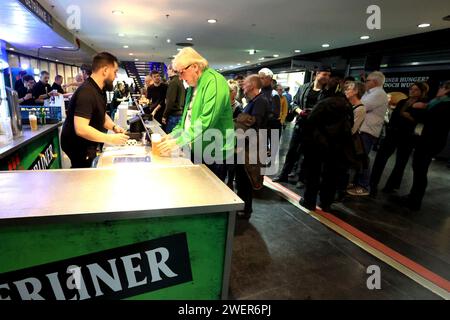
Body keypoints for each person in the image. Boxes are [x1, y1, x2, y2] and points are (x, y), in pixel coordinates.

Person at [158, 47, 234, 181]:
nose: (180, 77)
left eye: (181, 72)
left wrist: (177, 142)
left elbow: (206, 121)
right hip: (197, 148)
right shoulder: (193, 87)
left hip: (214, 152)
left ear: (194, 67)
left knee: (212, 196)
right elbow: (186, 121)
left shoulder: (214, 81)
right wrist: (171, 136)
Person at [61, 52, 129, 168]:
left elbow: (101, 115)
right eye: (115, 72)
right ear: (105, 70)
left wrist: (114, 127)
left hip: (87, 144)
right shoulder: (86, 92)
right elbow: (81, 129)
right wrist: (110, 138)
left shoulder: (99, 90)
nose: (115, 76)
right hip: (78, 145)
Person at [272, 66, 331, 183]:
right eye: (324, 74)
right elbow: (294, 102)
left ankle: (301, 179)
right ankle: (283, 175)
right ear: (317, 74)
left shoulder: (328, 91)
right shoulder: (304, 88)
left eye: (329, 75)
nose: (327, 77)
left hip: (316, 128)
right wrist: (299, 111)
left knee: (308, 155)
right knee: (292, 151)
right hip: (301, 124)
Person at [369, 82, 429, 196]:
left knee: (400, 163)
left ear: (422, 92)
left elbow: (420, 121)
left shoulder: (422, 104)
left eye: (416, 89)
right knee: (380, 159)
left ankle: (391, 186)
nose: (412, 91)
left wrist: (410, 117)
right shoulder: (402, 101)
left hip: (407, 137)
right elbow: (394, 117)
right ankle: (372, 184)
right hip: (392, 134)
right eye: (411, 89)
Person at [399, 81, 450, 210]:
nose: (439, 89)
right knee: (418, 168)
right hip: (426, 140)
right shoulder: (437, 102)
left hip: (431, 141)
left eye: (442, 87)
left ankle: (415, 201)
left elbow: (429, 119)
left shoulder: (445, 105)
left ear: (447, 89)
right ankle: (413, 196)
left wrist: (418, 108)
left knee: (421, 170)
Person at [300, 95, 354, 212]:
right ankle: (326, 203)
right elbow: (351, 125)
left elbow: (310, 123)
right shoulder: (346, 107)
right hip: (337, 146)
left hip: (317, 144)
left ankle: (309, 202)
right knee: (331, 176)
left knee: (313, 174)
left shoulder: (322, 106)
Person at [234, 74, 270, 219]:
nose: (243, 85)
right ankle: (242, 207)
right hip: (246, 147)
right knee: (242, 179)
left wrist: (239, 119)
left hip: (251, 148)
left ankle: (245, 209)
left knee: (246, 179)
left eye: (246, 83)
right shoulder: (254, 101)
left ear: (253, 85)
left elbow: (252, 123)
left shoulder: (260, 101)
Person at [347, 71, 388, 196]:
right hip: (363, 130)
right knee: (357, 157)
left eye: (367, 80)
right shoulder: (371, 93)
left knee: (363, 158)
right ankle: (355, 182)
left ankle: (364, 186)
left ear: (375, 82)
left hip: (367, 131)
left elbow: (361, 106)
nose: (365, 82)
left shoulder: (379, 94)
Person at [336, 81, 366, 200]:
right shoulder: (347, 105)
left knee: (343, 168)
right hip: (341, 139)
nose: (346, 90)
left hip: (347, 142)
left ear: (356, 91)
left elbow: (352, 130)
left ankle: (340, 192)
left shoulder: (360, 108)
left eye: (349, 89)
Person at [259, 68, 281, 157]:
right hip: (262, 125)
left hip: (272, 125)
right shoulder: (259, 92)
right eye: (260, 77)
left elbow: (276, 114)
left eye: (263, 78)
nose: (260, 80)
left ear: (270, 79)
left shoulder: (274, 94)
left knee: (272, 151)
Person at [163, 64, 186, 133]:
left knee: (170, 138)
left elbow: (170, 101)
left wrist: (165, 115)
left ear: (172, 70)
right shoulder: (180, 81)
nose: (167, 72)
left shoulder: (173, 82)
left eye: (167, 70)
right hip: (179, 114)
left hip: (174, 115)